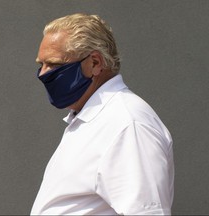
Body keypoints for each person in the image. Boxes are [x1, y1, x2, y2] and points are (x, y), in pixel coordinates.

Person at [31, 13, 174, 215]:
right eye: (41, 65)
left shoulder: (127, 124)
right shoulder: (92, 119)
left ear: (95, 63)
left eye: (54, 64)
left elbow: (147, 212)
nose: (43, 74)